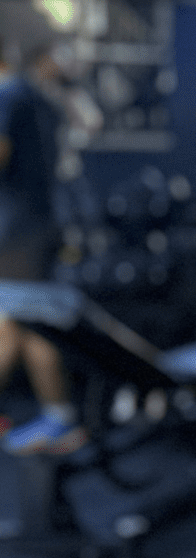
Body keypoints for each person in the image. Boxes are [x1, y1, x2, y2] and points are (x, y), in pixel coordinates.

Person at [0, 47, 86, 454]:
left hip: (18, 234)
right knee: (27, 324)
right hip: (39, 228)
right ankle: (59, 417)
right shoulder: (42, 101)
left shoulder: (9, 96)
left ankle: (60, 418)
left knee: (18, 324)